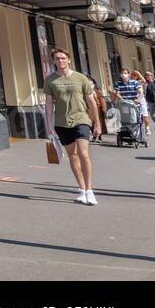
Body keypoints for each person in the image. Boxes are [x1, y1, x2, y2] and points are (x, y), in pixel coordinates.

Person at [45, 48, 98, 205]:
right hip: (61, 123)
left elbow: (91, 101)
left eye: (63, 58)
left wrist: (97, 122)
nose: (60, 61)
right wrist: (48, 124)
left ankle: (89, 190)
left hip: (81, 119)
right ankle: (81, 189)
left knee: (83, 154)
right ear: (54, 61)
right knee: (72, 156)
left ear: (68, 59)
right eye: (57, 59)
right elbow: (48, 103)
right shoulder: (50, 80)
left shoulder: (80, 78)